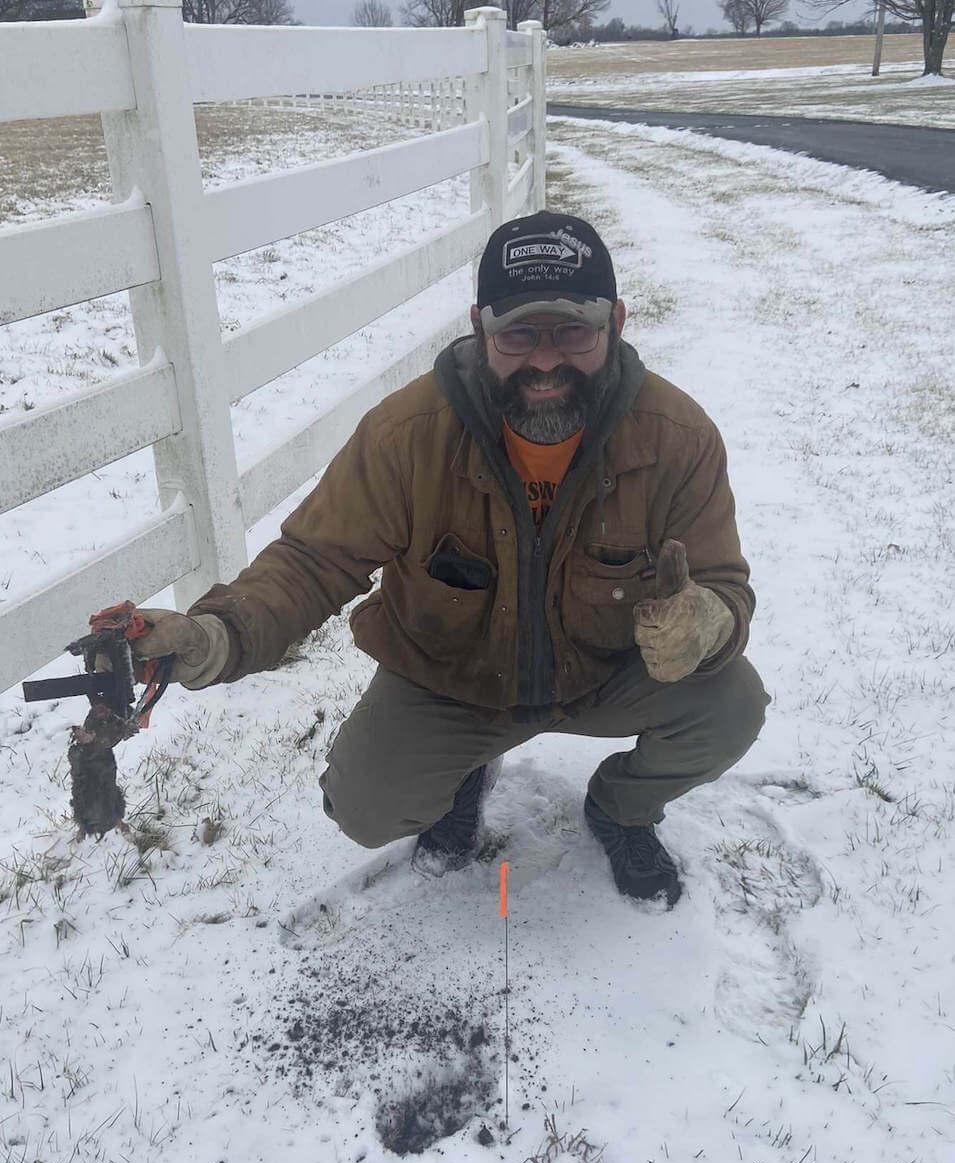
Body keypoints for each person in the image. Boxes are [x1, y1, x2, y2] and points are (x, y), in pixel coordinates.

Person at [127, 211, 769, 908]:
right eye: (519, 333)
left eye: (573, 332)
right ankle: (463, 774)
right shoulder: (406, 435)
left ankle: (621, 807)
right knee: (365, 808)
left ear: (615, 322)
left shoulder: (677, 437)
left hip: (603, 674)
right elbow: (313, 559)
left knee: (730, 706)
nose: (545, 361)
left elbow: (722, 582)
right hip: (453, 682)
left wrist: (705, 621)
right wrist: (214, 636)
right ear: (479, 327)